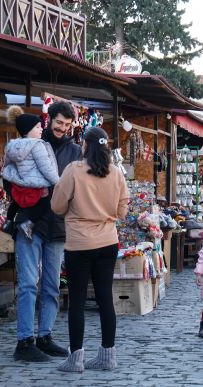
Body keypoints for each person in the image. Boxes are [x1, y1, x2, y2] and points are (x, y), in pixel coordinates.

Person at [51, 127, 129, 373]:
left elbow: (57, 206)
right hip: (108, 241)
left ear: (85, 145)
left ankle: (75, 358)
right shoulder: (115, 173)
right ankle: (108, 355)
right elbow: (122, 210)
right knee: (106, 298)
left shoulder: (74, 171)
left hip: (79, 243)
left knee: (77, 299)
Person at [12, 101, 81, 362]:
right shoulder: (32, 143)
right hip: (31, 223)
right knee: (29, 284)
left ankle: (45, 336)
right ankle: (24, 341)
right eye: (58, 123)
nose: (62, 128)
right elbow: (13, 178)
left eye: (67, 124)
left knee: (52, 286)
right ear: (49, 120)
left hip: (59, 226)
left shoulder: (75, 151)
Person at [3, 106, 59, 239]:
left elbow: (8, 165)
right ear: (28, 130)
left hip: (20, 184)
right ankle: (28, 224)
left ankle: (8, 221)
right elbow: (46, 167)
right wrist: (58, 182)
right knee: (46, 204)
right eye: (38, 127)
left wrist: (14, 179)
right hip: (36, 185)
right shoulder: (37, 145)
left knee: (16, 203)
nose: (42, 129)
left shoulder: (13, 146)